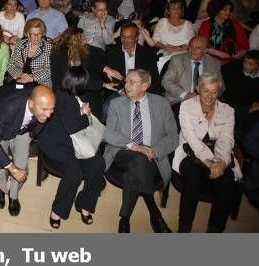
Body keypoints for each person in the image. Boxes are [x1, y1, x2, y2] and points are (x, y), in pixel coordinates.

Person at [103, 69, 179, 233]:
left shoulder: (161, 104)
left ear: (145, 85)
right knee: (139, 158)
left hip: (152, 157)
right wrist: (135, 146)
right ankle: (155, 213)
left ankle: (125, 218)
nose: (126, 85)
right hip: (122, 152)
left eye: (132, 82)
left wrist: (154, 150)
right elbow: (108, 133)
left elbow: (173, 136)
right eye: (126, 81)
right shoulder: (116, 104)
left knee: (134, 174)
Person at [38, 67, 106, 229]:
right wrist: (85, 114)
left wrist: (82, 112)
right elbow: (74, 127)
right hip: (58, 145)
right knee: (74, 173)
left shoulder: (73, 95)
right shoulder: (62, 98)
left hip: (75, 143)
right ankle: (57, 211)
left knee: (99, 164)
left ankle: (85, 203)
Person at [174, 74, 241, 232]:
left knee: (227, 184)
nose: (210, 97)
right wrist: (210, 161)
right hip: (190, 153)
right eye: (206, 91)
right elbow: (191, 139)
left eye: (215, 92)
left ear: (219, 92)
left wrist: (222, 162)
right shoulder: (187, 106)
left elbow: (226, 139)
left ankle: (215, 230)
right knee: (193, 180)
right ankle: (184, 227)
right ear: (198, 89)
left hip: (219, 155)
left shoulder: (227, 110)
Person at [0, 85, 56, 217]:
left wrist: (18, 169)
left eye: (51, 110)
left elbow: (41, 123)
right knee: (0, 165)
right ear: (30, 103)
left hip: (24, 129)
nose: (48, 115)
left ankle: (13, 195)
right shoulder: (7, 107)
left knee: (22, 166)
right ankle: (0, 188)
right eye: (45, 110)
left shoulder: (43, 107)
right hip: (2, 131)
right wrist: (12, 168)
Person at [162, 36, 223, 109]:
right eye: (191, 46)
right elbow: (166, 81)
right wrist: (185, 94)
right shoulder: (177, 60)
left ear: (205, 50)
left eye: (198, 48)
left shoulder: (214, 63)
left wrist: (208, 97)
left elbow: (220, 86)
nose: (192, 50)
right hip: (179, 101)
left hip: (206, 102)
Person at [105, 22, 160, 94]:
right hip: (119, 93)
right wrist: (120, 90)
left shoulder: (147, 54)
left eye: (129, 37)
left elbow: (154, 79)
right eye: (123, 37)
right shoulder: (112, 52)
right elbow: (107, 77)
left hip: (142, 92)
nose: (125, 40)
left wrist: (141, 92)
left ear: (136, 38)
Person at [198, 0, 249, 64]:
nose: (229, 12)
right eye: (225, 10)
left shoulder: (235, 23)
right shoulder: (206, 25)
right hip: (211, 60)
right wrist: (219, 54)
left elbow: (244, 43)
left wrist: (242, 52)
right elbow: (202, 44)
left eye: (230, 10)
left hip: (233, 60)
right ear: (216, 10)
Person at [6, 18, 52, 88]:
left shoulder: (48, 47)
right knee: (7, 95)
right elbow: (10, 65)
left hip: (39, 83)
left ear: (42, 33)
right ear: (28, 34)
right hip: (20, 80)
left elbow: (48, 71)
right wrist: (21, 75)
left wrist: (32, 78)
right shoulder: (20, 44)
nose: (36, 37)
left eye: (39, 34)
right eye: (33, 34)